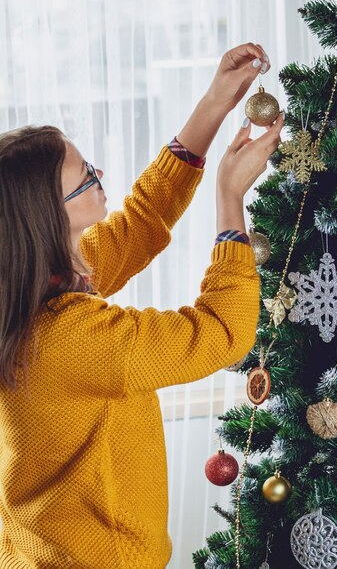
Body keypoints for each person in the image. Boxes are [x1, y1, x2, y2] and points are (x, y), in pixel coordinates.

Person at [0, 42, 284, 568]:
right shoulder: (73, 338)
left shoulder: (28, 283)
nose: (99, 177)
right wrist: (230, 201)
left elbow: (142, 220)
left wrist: (216, 103)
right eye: (84, 179)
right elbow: (223, 332)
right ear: (46, 217)